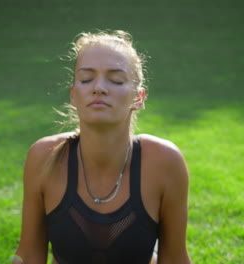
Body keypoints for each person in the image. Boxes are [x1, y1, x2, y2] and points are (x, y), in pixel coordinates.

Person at [13, 30, 192, 264]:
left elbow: (175, 259)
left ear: (139, 97)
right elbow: (28, 256)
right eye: (86, 79)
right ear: (74, 94)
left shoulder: (165, 162)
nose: (99, 88)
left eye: (116, 80)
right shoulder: (44, 156)